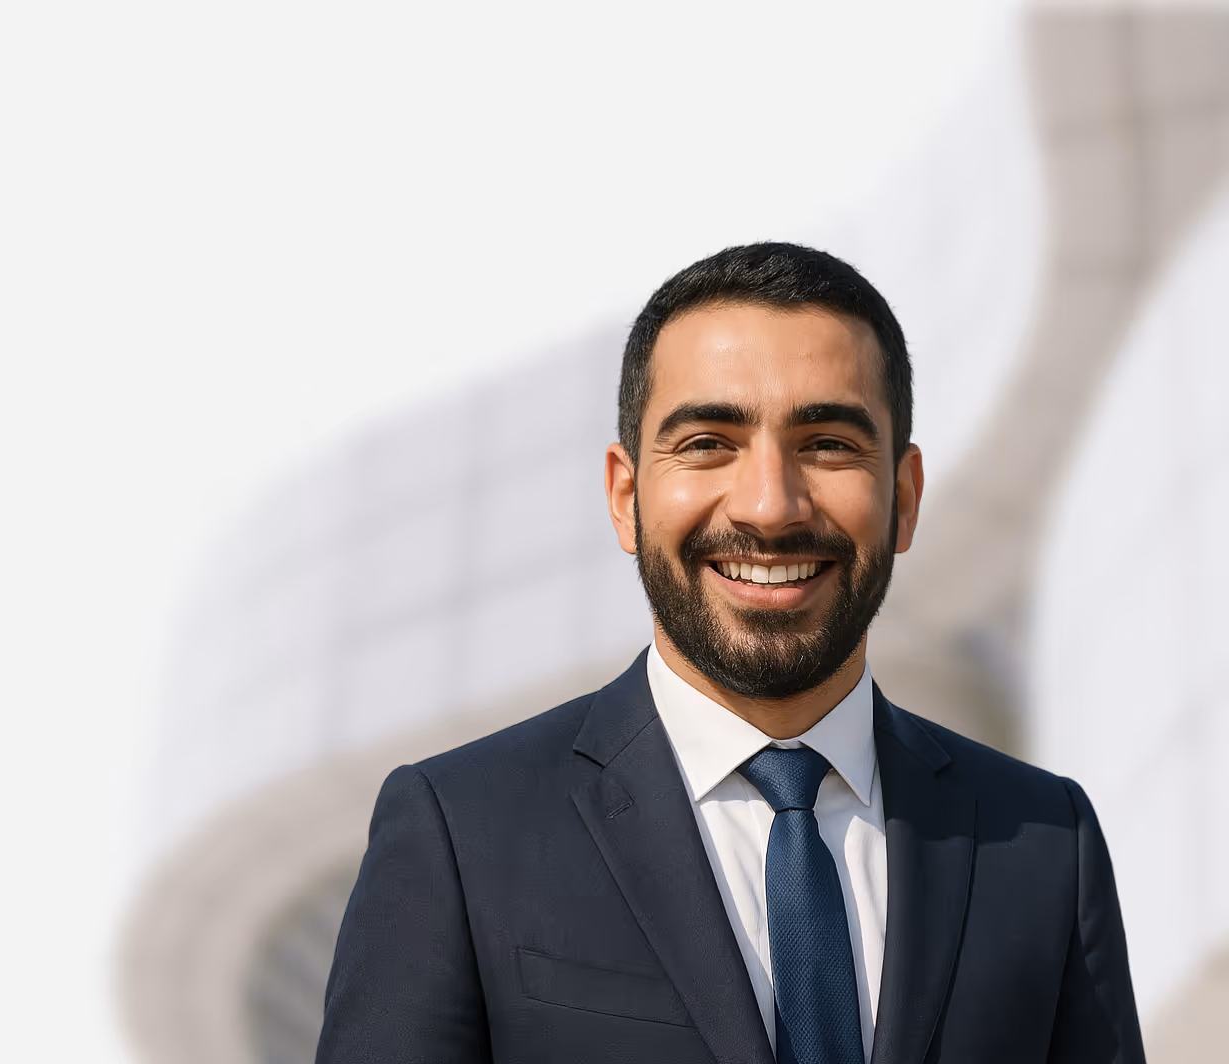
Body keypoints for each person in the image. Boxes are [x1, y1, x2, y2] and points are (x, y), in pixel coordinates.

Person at [315, 243, 1145, 1064]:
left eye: (826, 443)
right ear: (626, 495)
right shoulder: (460, 833)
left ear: (904, 496)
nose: (769, 506)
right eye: (709, 442)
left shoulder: (1044, 844)